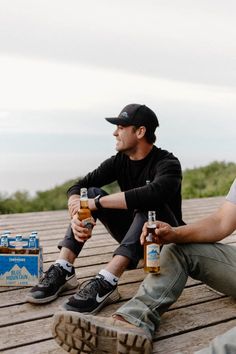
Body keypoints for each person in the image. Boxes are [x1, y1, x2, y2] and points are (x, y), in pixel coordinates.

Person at [26, 103, 184, 314]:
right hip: (134, 238)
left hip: (164, 242)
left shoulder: (168, 163)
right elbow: (78, 186)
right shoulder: (119, 161)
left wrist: (97, 203)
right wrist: (77, 212)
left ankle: (108, 281)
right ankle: (64, 267)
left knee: (149, 203)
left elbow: (155, 192)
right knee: (89, 192)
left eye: (121, 127)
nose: (114, 132)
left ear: (140, 131)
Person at [51, 179, 236, 354]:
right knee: (176, 249)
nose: (115, 142)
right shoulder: (119, 161)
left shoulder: (166, 163)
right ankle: (133, 322)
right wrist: (173, 233)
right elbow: (221, 222)